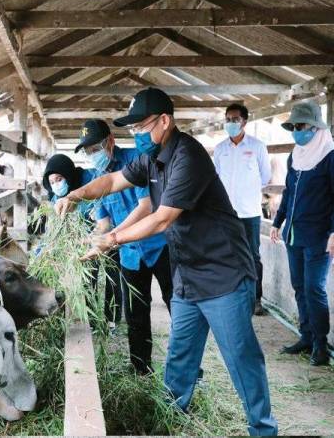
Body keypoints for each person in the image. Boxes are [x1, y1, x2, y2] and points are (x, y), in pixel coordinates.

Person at [56, 88, 277, 436]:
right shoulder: (152, 157)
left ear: (164, 121)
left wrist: (110, 239)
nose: (137, 135)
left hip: (223, 274)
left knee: (241, 358)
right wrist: (75, 194)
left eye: (141, 126)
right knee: (180, 357)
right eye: (133, 130)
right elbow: (114, 180)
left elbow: (162, 218)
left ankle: (262, 429)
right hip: (188, 273)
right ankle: (170, 420)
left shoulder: (188, 155)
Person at [74, 118, 173, 375]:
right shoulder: (98, 177)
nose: (92, 155)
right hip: (130, 252)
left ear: (110, 141)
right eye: (87, 151)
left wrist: (112, 238)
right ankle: (140, 366)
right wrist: (84, 241)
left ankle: (190, 369)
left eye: (95, 148)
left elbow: (145, 207)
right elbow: (103, 223)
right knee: (136, 312)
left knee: (178, 306)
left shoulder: (136, 160)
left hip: (158, 244)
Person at [270, 101, 333, 367]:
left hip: (320, 235)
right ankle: (306, 336)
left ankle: (321, 343)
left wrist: (333, 232)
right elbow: (287, 192)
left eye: (302, 126)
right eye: (294, 127)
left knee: (314, 288)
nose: (297, 131)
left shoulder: (329, 156)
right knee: (299, 287)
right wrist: (277, 221)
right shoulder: (295, 156)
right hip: (294, 234)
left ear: (316, 127)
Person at [42, 153, 122, 332]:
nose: (56, 185)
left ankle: (112, 320)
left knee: (113, 277)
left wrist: (99, 234)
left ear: (68, 175)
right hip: (84, 241)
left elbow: (105, 215)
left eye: (59, 179)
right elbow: (52, 230)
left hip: (109, 234)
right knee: (88, 279)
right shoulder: (57, 200)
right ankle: (91, 319)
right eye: (52, 182)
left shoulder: (90, 181)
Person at [214, 103, 271, 315]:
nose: (230, 123)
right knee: (225, 254)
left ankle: (255, 299)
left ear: (244, 122)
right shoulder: (220, 149)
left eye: (234, 119)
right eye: (227, 119)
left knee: (252, 256)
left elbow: (265, 177)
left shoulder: (257, 147)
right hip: (226, 213)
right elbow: (215, 179)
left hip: (250, 213)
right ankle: (229, 296)